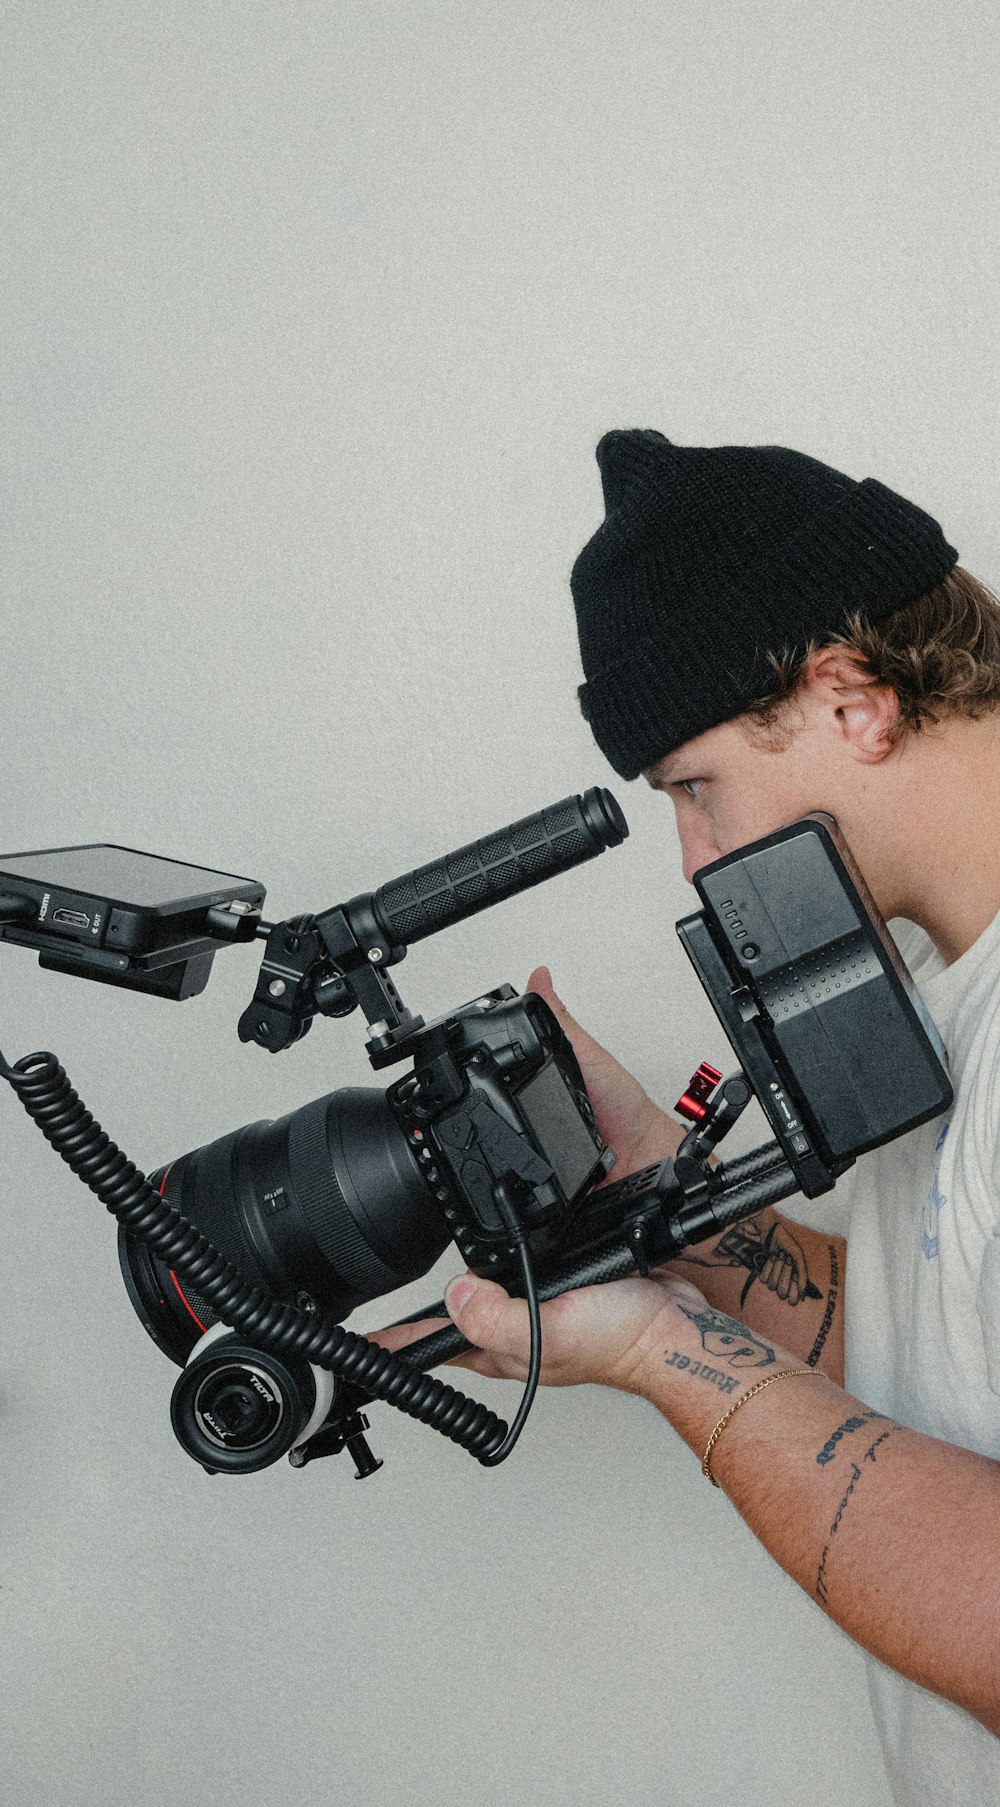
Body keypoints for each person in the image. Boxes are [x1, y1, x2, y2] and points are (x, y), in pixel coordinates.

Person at [370, 431, 1000, 1804]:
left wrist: (667, 1360)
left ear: (854, 701)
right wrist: (661, 1190)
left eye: (696, 789)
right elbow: (940, 1350)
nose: (699, 856)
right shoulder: (957, 1002)